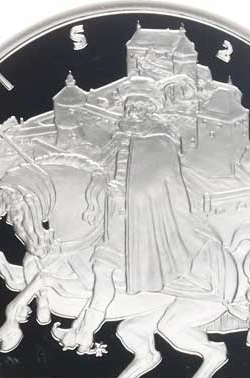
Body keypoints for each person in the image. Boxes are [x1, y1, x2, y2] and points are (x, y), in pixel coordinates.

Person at [63, 76, 204, 353]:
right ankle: (84, 326)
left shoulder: (161, 137)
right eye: (128, 106)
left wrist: (128, 192)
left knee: (103, 269)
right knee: (97, 265)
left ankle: (86, 328)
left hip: (143, 219)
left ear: (149, 108)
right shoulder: (121, 135)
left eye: (138, 106)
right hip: (111, 214)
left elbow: (163, 178)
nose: (132, 111)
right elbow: (99, 164)